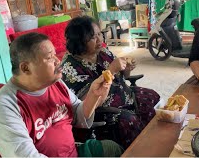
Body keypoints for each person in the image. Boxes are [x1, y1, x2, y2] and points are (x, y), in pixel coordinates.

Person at [0, 32, 123, 157]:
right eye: (50, 57)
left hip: (72, 152)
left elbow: (78, 117)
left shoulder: (55, 84)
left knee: (113, 149)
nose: (58, 60)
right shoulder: (3, 106)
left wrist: (93, 94)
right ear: (26, 68)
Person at [61, 16, 160, 149]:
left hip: (125, 95)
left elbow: (122, 77)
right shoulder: (70, 67)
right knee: (129, 121)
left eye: (99, 34)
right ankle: (138, 150)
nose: (99, 39)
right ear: (79, 41)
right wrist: (111, 70)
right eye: (92, 37)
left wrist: (127, 70)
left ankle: (153, 141)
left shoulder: (103, 52)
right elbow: (88, 103)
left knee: (151, 96)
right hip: (103, 111)